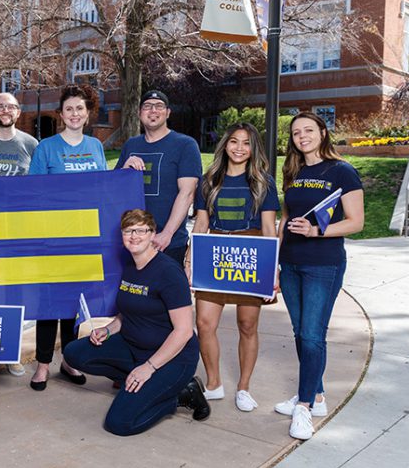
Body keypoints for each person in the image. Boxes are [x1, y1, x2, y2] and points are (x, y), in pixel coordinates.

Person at [62, 209, 210, 435]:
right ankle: (137, 382)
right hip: (133, 346)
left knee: (119, 424)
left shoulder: (169, 273)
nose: (134, 236)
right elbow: (129, 312)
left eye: (141, 230)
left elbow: (183, 332)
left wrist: (148, 368)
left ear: (153, 234)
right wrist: (108, 330)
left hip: (171, 358)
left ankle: (182, 394)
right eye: (128, 230)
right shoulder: (131, 265)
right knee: (75, 353)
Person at [276, 112, 363, 440]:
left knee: (313, 334)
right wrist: (275, 259)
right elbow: (285, 218)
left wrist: (315, 231)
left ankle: (304, 406)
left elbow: (355, 222)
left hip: (323, 265)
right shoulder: (293, 170)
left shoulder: (342, 171)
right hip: (291, 263)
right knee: (301, 333)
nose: (302, 137)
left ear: (323, 132)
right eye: (297, 133)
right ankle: (318, 396)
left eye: (308, 130)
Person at [189, 122, 279, 413]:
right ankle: (214, 383)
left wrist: (273, 268)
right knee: (204, 323)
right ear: (225, 145)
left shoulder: (264, 182)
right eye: (234, 142)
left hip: (251, 252)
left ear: (254, 149)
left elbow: (268, 227)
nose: (239, 148)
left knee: (247, 325)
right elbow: (201, 222)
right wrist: (191, 259)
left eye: (246, 143)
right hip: (214, 250)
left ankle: (244, 387)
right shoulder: (209, 180)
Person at [26, 83, 105, 391]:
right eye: (69, 109)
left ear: (88, 114)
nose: (74, 114)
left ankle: (69, 360)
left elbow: (102, 188)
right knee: (49, 301)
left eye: (80, 109)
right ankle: (43, 364)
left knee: (74, 302)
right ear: (61, 114)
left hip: (84, 235)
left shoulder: (96, 146)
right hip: (52, 235)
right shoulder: (46, 148)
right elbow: (33, 192)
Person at [0, 91, 38, 377]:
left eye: (10, 106)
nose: (5, 110)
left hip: (17, 228)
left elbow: (42, 186)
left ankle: (10, 351)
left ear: (18, 111)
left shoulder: (30, 144)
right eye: (0, 105)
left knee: (13, 293)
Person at [115, 90, 202, 268]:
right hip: (133, 241)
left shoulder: (185, 145)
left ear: (168, 112)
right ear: (139, 113)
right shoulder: (131, 145)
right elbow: (113, 190)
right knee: (133, 295)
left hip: (168, 243)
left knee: (167, 294)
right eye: (147, 106)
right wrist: (124, 169)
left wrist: (167, 234)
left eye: (159, 106)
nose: (153, 110)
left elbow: (187, 193)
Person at [0, 92, 39, 177]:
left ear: (18, 113)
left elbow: (38, 180)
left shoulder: (32, 144)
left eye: (11, 107)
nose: (5, 111)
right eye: (0, 107)